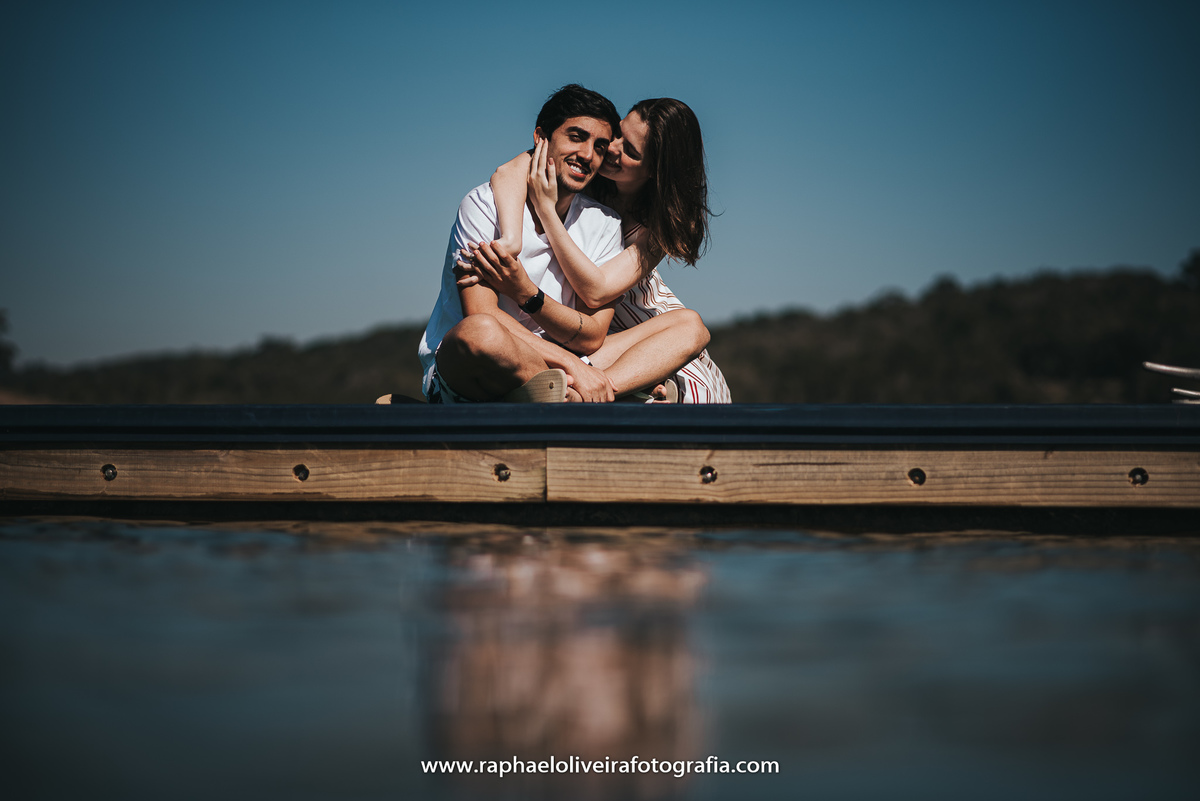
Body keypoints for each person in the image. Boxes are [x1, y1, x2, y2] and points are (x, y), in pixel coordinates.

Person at [418, 85, 711, 403]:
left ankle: (576, 393)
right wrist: (512, 239)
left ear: (653, 171)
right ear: (541, 138)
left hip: (589, 354)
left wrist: (523, 289)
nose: (595, 153)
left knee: (691, 325)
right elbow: (479, 312)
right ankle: (592, 391)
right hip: (523, 356)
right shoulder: (486, 205)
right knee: (480, 333)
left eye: (602, 145)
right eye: (577, 137)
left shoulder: (611, 222)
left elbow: (594, 319)